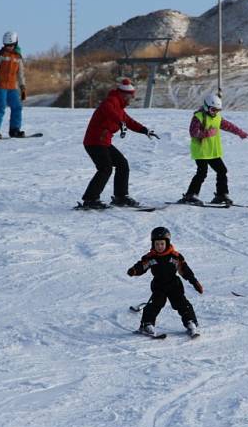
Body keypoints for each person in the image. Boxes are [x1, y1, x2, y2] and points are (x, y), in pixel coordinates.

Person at [80, 78, 159, 209]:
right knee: (105, 168)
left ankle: (120, 197)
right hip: (94, 141)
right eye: (130, 96)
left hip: (103, 142)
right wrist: (119, 122)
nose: (132, 98)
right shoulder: (110, 101)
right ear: (124, 94)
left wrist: (145, 130)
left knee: (122, 164)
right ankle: (90, 199)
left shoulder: (119, 108)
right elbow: (109, 111)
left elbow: (129, 121)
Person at [127, 227, 202, 337]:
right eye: (157, 244)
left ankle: (190, 322)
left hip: (174, 284)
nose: (160, 247)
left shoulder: (175, 256)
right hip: (159, 285)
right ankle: (147, 324)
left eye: (162, 244)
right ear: (153, 244)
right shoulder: (151, 257)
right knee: (155, 304)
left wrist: (194, 282)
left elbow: (185, 270)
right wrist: (134, 270)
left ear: (167, 243)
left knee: (182, 303)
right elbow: (142, 265)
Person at [180, 93, 248, 205]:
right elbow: (193, 133)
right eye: (213, 110)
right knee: (202, 173)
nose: (215, 113)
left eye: (217, 110)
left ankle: (221, 195)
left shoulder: (217, 118)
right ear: (206, 106)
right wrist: (208, 133)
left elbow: (228, 126)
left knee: (222, 170)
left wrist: (239, 132)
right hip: (201, 151)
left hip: (212, 152)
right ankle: (190, 195)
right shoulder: (198, 117)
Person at [0, 31, 26, 139]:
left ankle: (14, 130)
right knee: (1, 106)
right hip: (1, 86)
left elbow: (21, 74)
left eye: (11, 45)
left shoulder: (18, 57)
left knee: (17, 107)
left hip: (13, 87)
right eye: (7, 45)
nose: (9, 47)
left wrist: (22, 87)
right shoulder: (0, 55)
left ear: (16, 44)